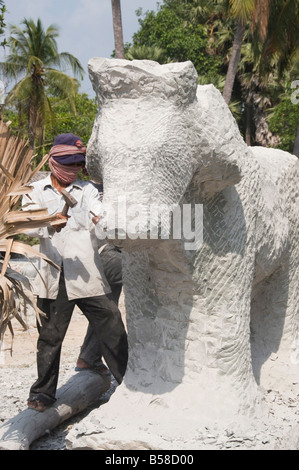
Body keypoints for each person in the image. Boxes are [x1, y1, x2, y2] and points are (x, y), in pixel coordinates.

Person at [22, 133, 128, 412]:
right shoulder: (35, 192)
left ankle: (128, 383)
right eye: (66, 164)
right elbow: (25, 226)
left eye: (76, 165)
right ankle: (42, 394)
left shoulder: (87, 191)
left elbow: (99, 211)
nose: (71, 170)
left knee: (112, 323)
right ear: (53, 161)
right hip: (53, 275)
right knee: (50, 337)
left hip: (87, 276)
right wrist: (48, 222)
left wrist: (100, 218)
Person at [76, 180, 123, 372]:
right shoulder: (91, 191)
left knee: (107, 310)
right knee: (148, 278)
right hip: (104, 252)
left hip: (112, 250)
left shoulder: (111, 186)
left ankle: (89, 356)